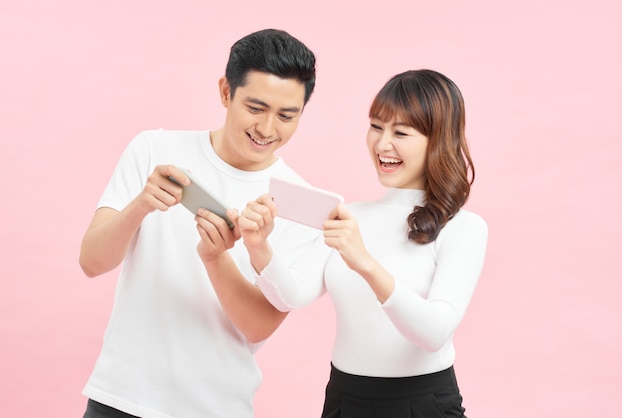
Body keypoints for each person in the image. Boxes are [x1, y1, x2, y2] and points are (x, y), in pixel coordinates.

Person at [78, 28, 319, 418]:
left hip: (215, 407)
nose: (268, 129)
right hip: (120, 397)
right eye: (256, 108)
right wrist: (141, 205)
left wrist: (215, 257)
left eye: (287, 116)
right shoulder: (153, 149)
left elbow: (259, 325)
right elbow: (92, 261)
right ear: (226, 91)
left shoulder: (296, 202)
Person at [243, 69, 488, 417]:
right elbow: (292, 295)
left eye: (400, 132)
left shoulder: (463, 228)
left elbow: (435, 333)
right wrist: (259, 248)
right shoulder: (349, 216)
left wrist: (365, 263)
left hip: (423, 402)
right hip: (345, 398)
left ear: (437, 140)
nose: (382, 144)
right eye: (376, 127)